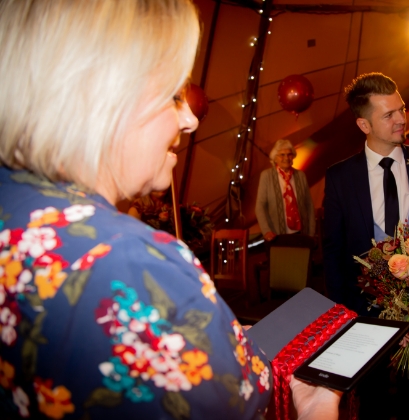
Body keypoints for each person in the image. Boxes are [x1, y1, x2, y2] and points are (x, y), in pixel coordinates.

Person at [0, 1, 339, 419]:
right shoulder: (134, 264)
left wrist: (208, 336)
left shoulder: (14, 209)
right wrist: (316, 409)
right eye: (174, 95)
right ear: (102, 98)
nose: (190, 120)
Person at [322, 72, 409, 419]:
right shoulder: (340, 176)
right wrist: (346, 316)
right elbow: (332, 251)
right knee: (372, 402)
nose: (401, 119)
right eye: (389, 114)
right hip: (364, 311)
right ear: (364, 124)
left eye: (401, 109)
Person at [255, 139, 316, 242]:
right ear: (275, 158)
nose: (286, 158)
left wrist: (311, 232)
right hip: (276, 236)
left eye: (289, 154)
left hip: (302, 234)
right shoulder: (266, 176)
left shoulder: (301, 176)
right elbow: (259, 206)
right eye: (282, 155)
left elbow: (309, 205)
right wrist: (266, 231)